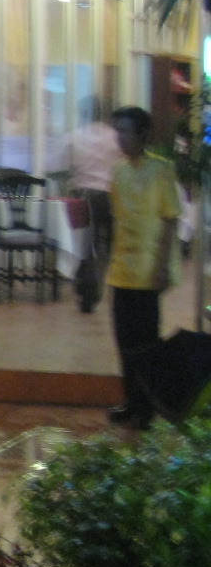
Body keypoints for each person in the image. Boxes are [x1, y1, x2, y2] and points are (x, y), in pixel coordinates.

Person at [106, 106, 180, 430]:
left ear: (143, 135)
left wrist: (163, 267)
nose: (120, 138)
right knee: (123, 340)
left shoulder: (161, 171)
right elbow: (117, 220)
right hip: (122, 269)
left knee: (146, 343)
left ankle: (148, 405)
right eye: (117, 131)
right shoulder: (118, 171)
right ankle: (131, 399)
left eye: (126, 131)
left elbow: (169, 220)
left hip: (148, 271)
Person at [62, 106, 122, 313]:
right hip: (111, 195)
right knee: (111, 246)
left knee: (87, 245)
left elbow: (60, 164)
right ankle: (112, 287)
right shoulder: (116, 137)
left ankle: (87, 292)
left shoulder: (74, 137)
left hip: (84, 196)